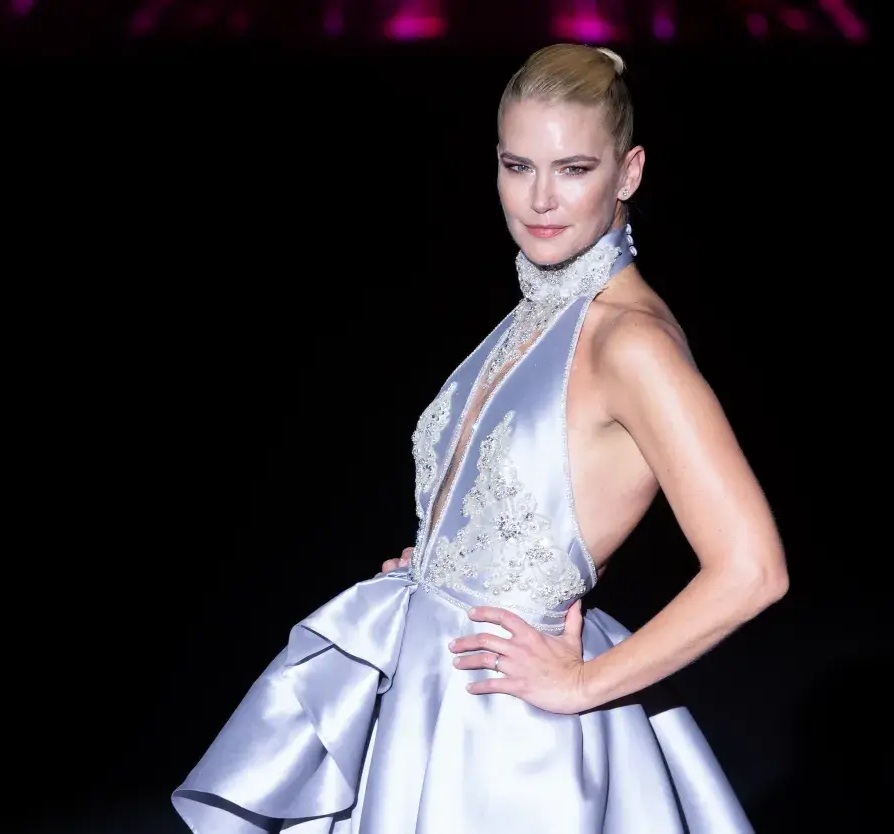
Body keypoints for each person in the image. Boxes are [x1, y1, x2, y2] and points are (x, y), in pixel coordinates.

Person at [173, 43, 788, 834]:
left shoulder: (631, 342)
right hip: (434, 694)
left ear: (628, 173)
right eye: (516, 165)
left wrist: (582, 682)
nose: (540, 199)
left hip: (510, 735)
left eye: (573, 169)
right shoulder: (541, 313)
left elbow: (752, 570)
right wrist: (443, 566)